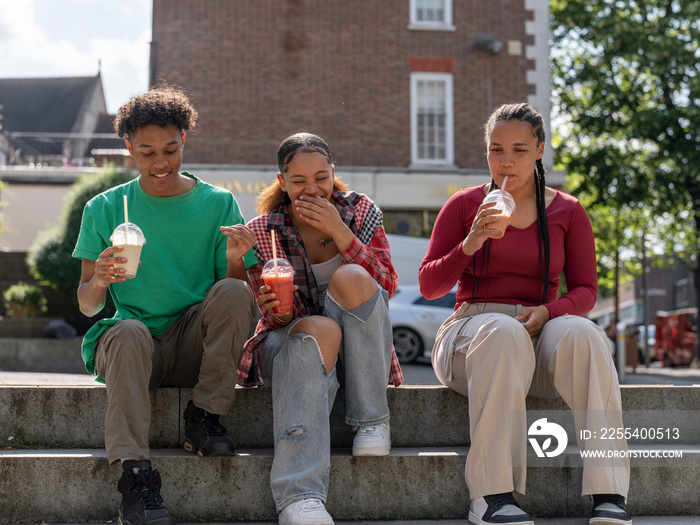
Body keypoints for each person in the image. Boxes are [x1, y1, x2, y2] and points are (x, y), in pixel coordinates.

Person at [418, 103, 631, 525]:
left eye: (518, 149)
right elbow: (429, 286)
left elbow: (587, 291)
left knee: (586, 334)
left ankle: (610, 491)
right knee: (501, 332)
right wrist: (470, 243)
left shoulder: (567, 211)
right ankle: (491, 496)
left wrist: (550, 311)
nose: (506, 161)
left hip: (540, 331)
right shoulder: (464, 206)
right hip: (471, 334)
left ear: (540, 151)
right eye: (496, 150)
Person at [72, 84, 257, 525]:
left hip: (194, 343)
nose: (160, 163)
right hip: (135, 348)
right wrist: (98, 278)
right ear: (128, 147)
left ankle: (205, 417)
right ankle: (135, 481)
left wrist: (235, 262)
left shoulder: (218, 204)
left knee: (236, 290)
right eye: (147, 152)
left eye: (171, 149)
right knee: (131, 330)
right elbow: (85, 305)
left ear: (184, 142)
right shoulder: (103, 208)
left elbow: (229, 300)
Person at [236, 132, 403, 525]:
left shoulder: (360, 211)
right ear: (282, 182)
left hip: (361, 357)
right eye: (298, 181)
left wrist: (341, 233)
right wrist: (276, 306)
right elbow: (274, 319)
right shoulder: (265, 230)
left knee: (353, 277)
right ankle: (299, 496)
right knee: (317, 327)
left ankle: (372, 420)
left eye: (321, 178)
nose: (312, 189)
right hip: (294, 347)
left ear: (334, 173)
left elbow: (386, 286)